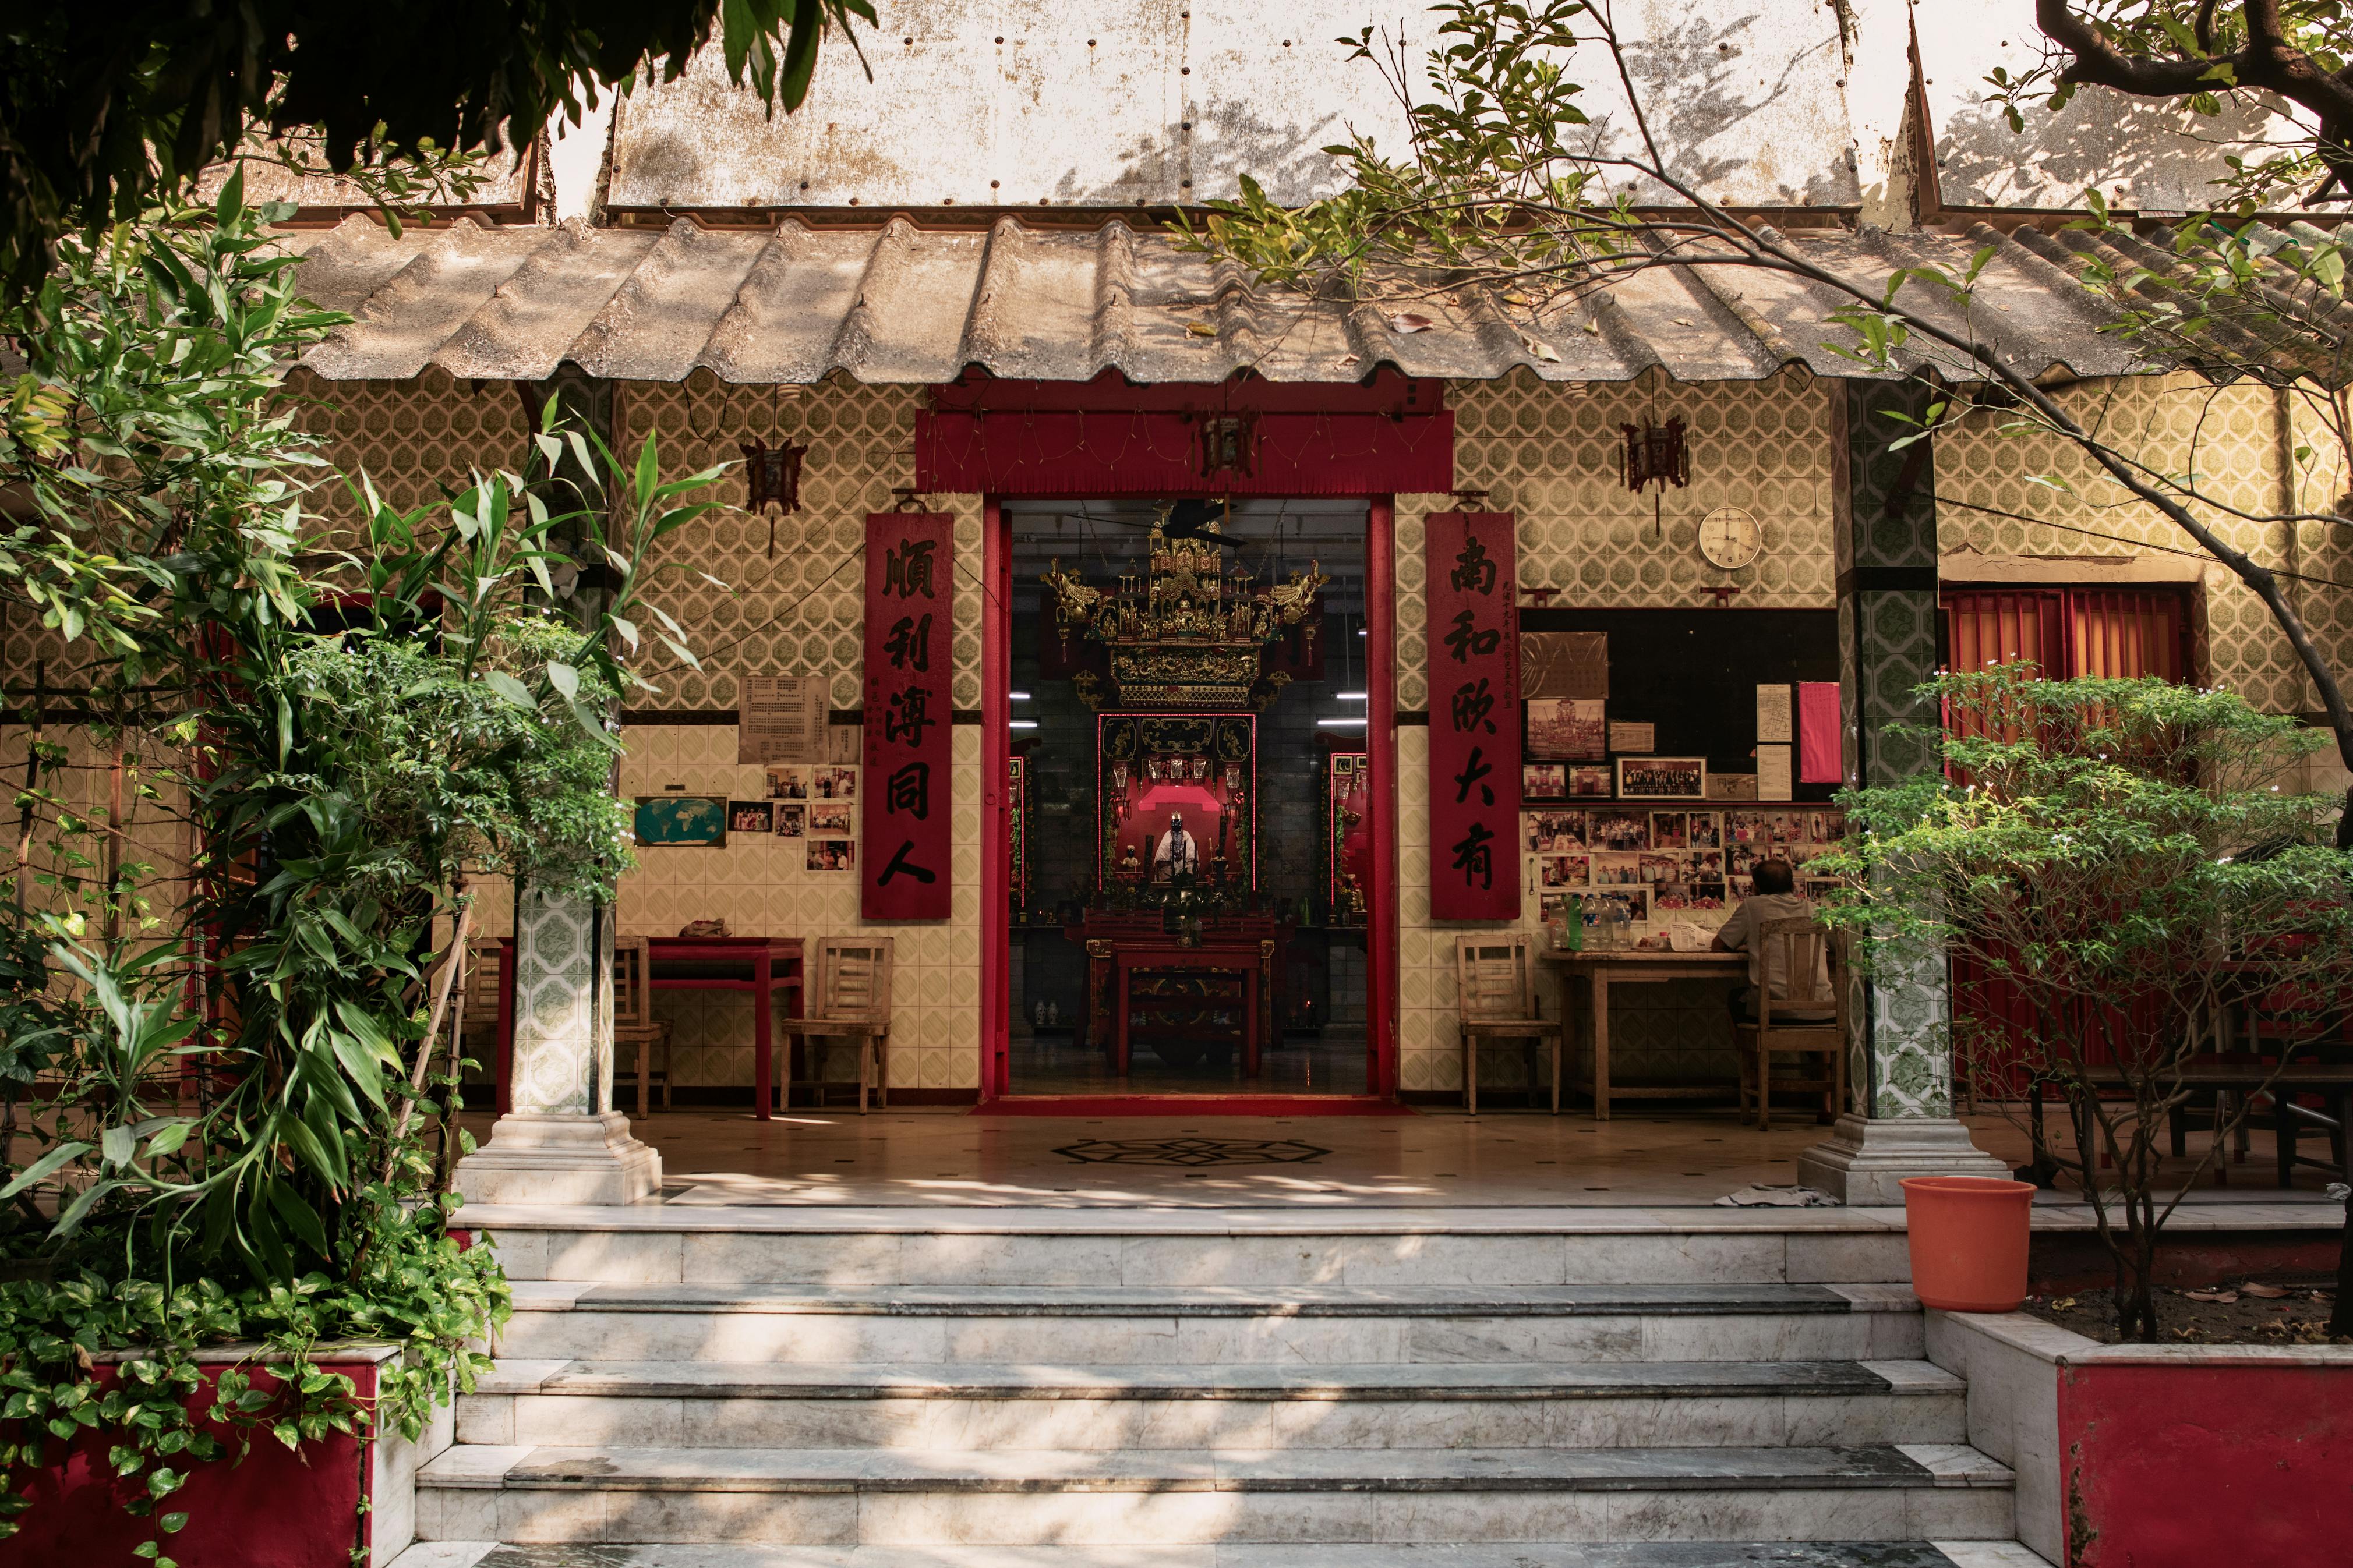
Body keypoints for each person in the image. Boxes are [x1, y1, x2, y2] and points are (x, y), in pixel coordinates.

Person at [1711, 859, 1832, 1022]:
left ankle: (1754, 1048)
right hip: (1823, 1012)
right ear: (1792, 886)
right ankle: (1823, 1047)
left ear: (1757, 887)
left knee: (1735, 997)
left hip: (1771, 1012)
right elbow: (1841, 947)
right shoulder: (1815, 910)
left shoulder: (1752, 906)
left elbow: (1718, 945)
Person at [1151, 811, 1200, 882]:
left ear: (1181, 823)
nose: (1176, 824)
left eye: (1178, 822)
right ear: (1171, 823)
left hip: (1184, 863)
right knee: (1166, 870)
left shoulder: (1186, 834)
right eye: (1175, 822)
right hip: (1170, 864)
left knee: (1190, 867)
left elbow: (1192, 853)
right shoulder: (1168, 835)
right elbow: (1162, 854)